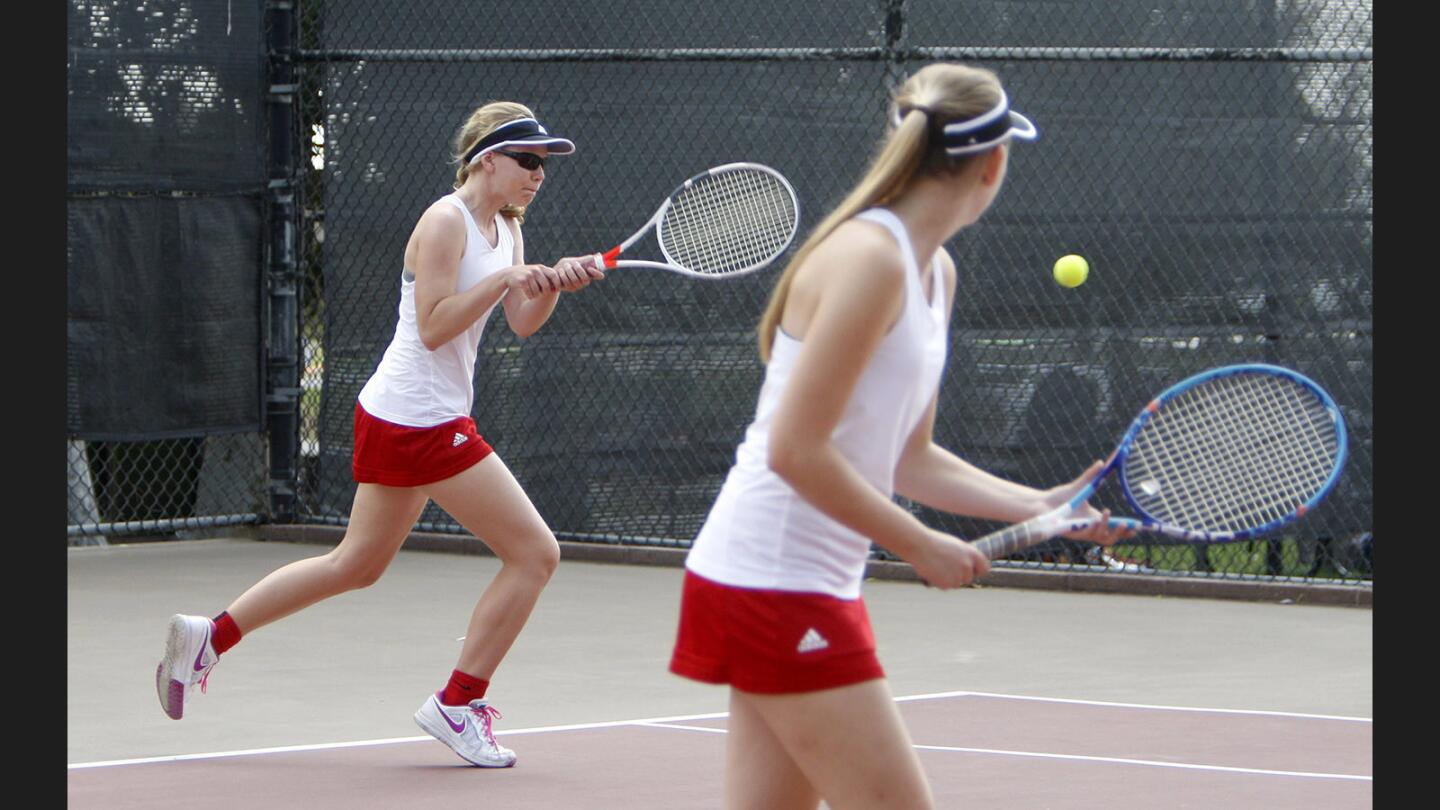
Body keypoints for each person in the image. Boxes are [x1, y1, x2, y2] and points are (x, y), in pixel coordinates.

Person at [667, 64, 1133, 809]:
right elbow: (796, 449)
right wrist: (918, 544)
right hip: (772, 583)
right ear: (995, 163)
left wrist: (1041, 504)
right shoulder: (869, 261)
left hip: (788, 582)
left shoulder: (934, 272)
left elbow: (908, 458)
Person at [155, 101, 607, 769]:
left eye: (545, 165)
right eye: (529, 160)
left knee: (356, 565)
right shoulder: (444, 220)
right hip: (420, 416)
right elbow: (432, 325)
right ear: (487, 157)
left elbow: (522, 322)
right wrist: (509, 280)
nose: (539, 174)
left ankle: (211, 636)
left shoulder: (507, 231)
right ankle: (458, 703)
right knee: (536, 553)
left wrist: (551, 284)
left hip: (412, 413)